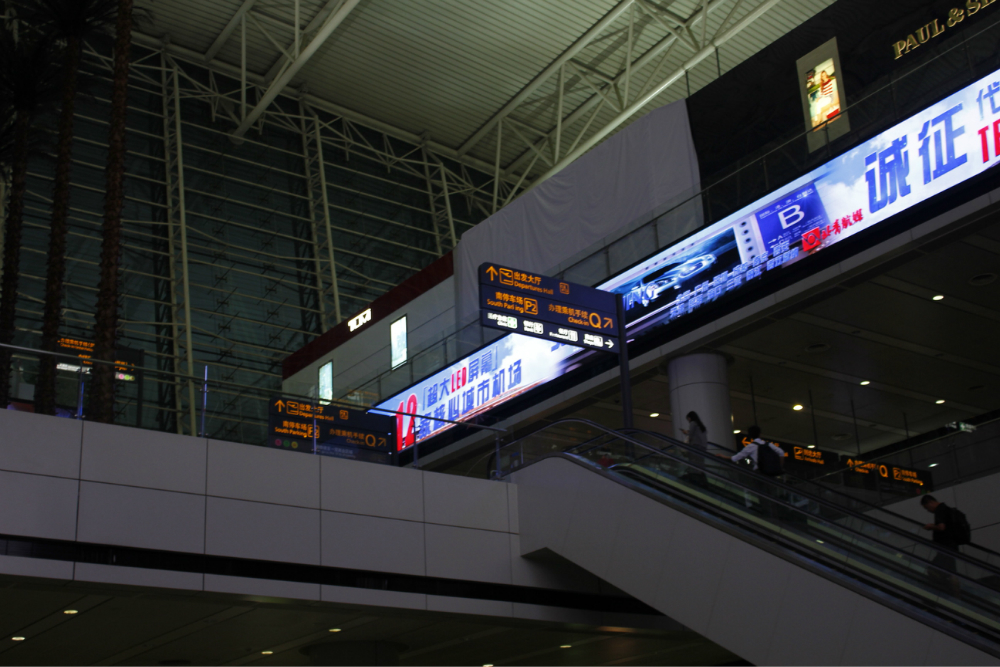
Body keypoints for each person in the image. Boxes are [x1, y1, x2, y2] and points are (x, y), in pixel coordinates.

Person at [921, 495, 961, 594]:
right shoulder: (947, 509)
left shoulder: (940, 510)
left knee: (932, 569)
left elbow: (941, 527)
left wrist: (931, 526)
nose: (928, 510)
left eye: (926, 507)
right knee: (951, 572)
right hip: (951, 546)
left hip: (945, 547)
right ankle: (956, 595)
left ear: (930, 502)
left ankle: (948, 592)